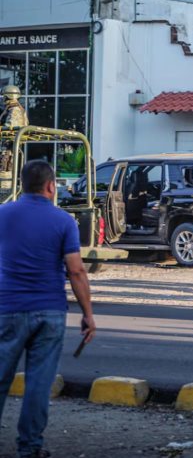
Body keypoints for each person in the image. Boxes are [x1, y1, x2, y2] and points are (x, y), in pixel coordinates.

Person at [0, 160, 96, 458]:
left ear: (23, 184)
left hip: (7, 308)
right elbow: (76, 271)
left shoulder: (2, 214)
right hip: (49, 311)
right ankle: (30, 449)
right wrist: (88, 314)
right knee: (38, 384)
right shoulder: (63, 221)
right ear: (51, 186)